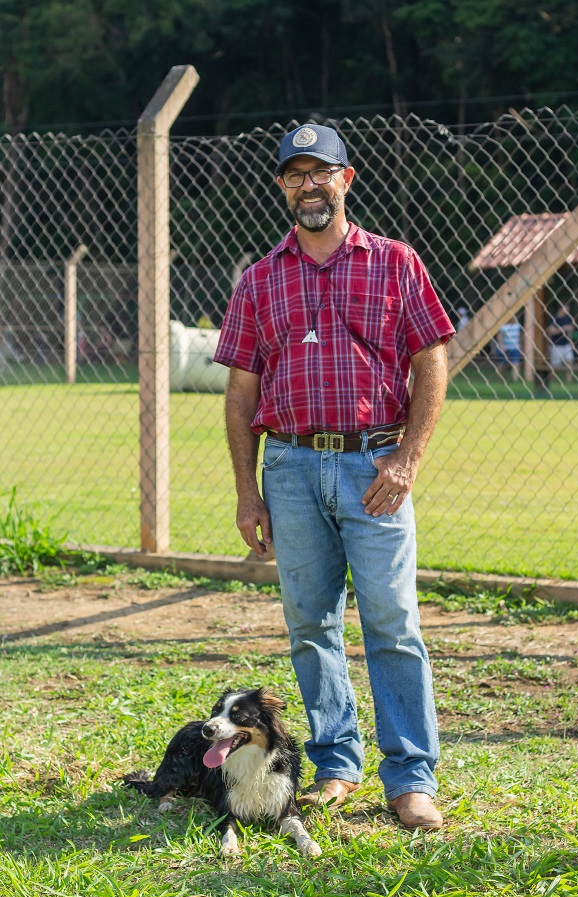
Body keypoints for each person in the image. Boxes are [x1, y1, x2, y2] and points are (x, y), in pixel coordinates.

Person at [214, 124, 455, 830]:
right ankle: (335, 765)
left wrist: (407, 458)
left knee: (392, 622)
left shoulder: (395, 263)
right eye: (295, 175)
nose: (309, 185)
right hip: (289, 468)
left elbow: (432, 362)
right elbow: (241, 392)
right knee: (310, 626)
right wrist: (248, 491)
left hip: (373, 466)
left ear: (346, 179)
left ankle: (410, 779)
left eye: (321, 172)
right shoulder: (260, 279)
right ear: (283, 187)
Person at [547, 303, 575, 382]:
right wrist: (563, 328)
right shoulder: (553, 318)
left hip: (566, 344)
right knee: (555, 366)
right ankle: (552, 380)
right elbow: (551, 331)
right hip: (556, 345)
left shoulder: (567, 319)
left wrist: (571, 342)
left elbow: (569, 331)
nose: (568, 309)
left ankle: (569, 380)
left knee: (570, 361)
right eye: (566, 307)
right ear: (561, 308)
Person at [497, 316, 521, 382]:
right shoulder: (504, 326)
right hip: (504, 348)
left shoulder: (517, 326)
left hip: (515, 348)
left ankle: (515, 380)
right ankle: (500, 378)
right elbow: (499, 336)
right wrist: (501, 344)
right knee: (501, 364)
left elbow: (520, 336)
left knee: (516, 363)